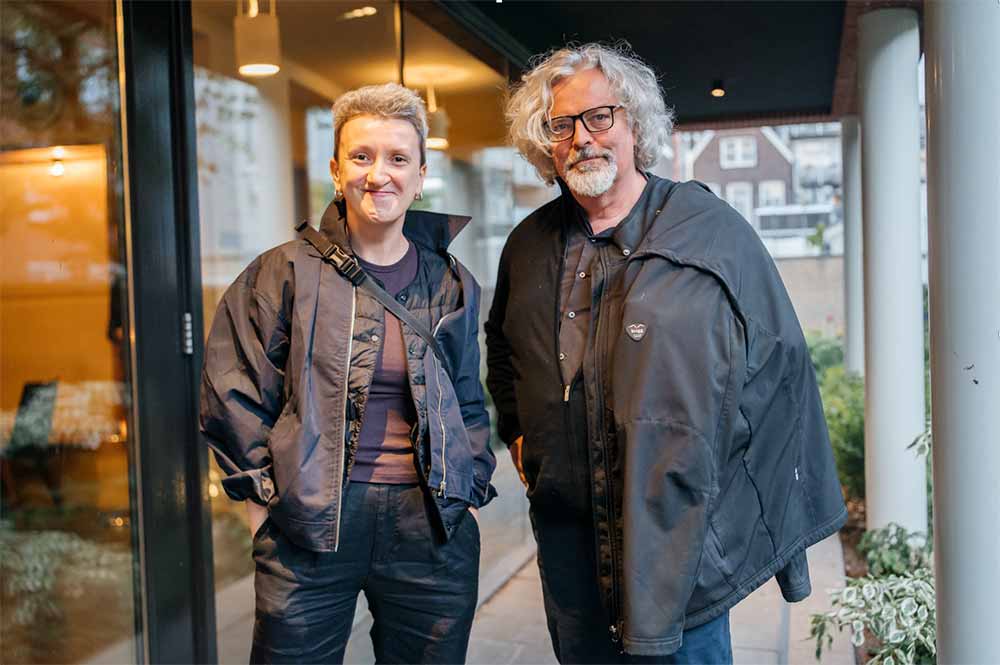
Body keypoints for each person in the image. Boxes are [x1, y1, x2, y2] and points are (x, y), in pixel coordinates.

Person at [486, 43, 846, 663]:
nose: (582, 138)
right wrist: (520, 438)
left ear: (634, 123)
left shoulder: (710, 230)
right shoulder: (528, 244)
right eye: (561, 124)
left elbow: (779, 372)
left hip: (680, 546)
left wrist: (731, 505)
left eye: (600, 116)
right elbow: (503, 350)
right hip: (570, 547)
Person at [201, 82, 496, 664]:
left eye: (398, 158)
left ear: (420, 175)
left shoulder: (451, 281)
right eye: (361, 156)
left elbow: (466, 398)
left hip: (431, 523)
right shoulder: (282, 273)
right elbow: (234, 393)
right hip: (310, 522)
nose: (378, 174)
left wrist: (469, 490)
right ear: (336, 171)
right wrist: (265, 509)